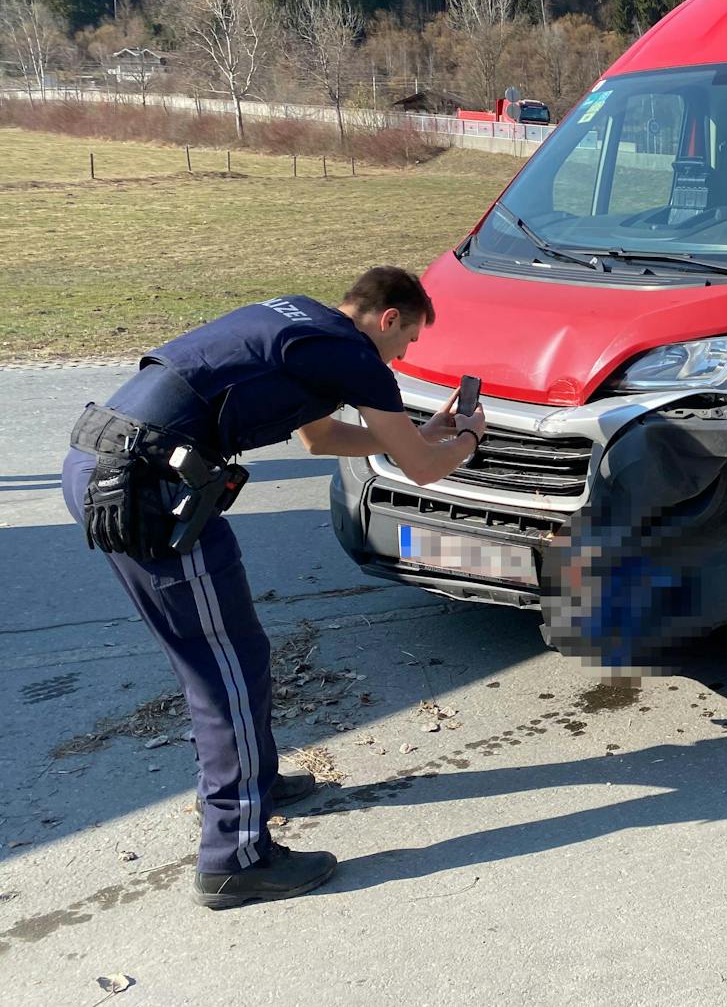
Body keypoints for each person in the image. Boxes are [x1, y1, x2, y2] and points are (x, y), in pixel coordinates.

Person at [61, 267, 486, 909]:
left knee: (234, 655)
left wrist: (418, 434)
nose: (405, 356)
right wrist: (468, 439)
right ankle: (235, 858)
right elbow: (424, 472)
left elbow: (321, 438)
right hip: (146, 487)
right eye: (409, 341)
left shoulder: (301, 323)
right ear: (389, 317)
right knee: (224, 669)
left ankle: (253, 779)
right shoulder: (356, 358)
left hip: (108, 462)